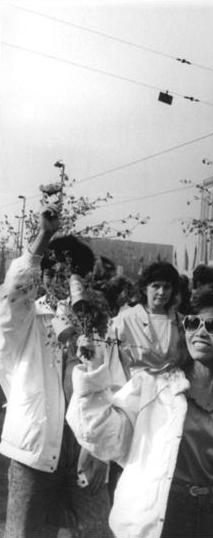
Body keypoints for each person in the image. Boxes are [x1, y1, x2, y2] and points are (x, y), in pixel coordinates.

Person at [66, 293, 213, 538]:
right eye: (193, 323)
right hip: (161, 516)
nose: (200, 332)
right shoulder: (152, 384)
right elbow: (105, 437)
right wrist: (92, 375)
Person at [0, 206, 115, 537]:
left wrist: (100, 449)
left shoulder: (99, 323)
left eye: (70, 274)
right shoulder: (25, 318)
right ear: (42, 275)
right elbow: (15, 290)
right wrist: (44, 237)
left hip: (85, 450)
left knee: (97, 530)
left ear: (83, 279)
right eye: (52, 273)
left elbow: (112, 387)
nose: (59, 281)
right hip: (34, 450)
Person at [110, 261, 183, 375]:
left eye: (167, 287)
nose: (161, 292)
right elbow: (106, 349)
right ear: (145, 289)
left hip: (171, 385)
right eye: (156, 286)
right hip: (135, 386)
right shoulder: (126, 319)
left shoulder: (180, 321)